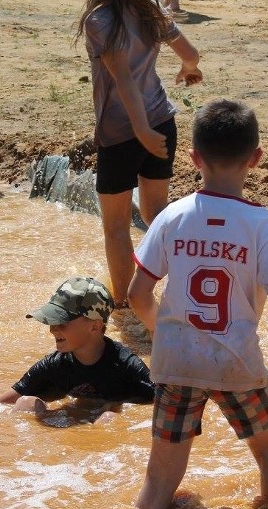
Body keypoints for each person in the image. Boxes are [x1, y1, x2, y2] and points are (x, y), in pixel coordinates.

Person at [126, 99, 268, 509]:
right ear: (256, 159)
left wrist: (162, 335)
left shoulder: (171, 217)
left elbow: (136, 294)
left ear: (194, 158)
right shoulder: (262, 225)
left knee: (160, 477)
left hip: (176, 363)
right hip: (236, 360)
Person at [74, 0, 203, 308]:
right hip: (162, 122)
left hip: (122, 134)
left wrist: (141, 131)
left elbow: (124, 79)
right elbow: (191, 54)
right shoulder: (150, 8)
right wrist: (188, 70)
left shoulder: (100, 18)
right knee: (156, 213)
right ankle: (186, 289)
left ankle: (124, 308)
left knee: (116, 226)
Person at [0, 277, 155, 423]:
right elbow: (0, 403)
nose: (53, 329)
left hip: (100, 437)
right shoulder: (55, 365)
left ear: (95, 326)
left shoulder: (126, 365)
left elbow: (168, 401)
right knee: (26, 402)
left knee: (109, 418)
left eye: (62, 320)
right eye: (52, 320)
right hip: (62, 439)